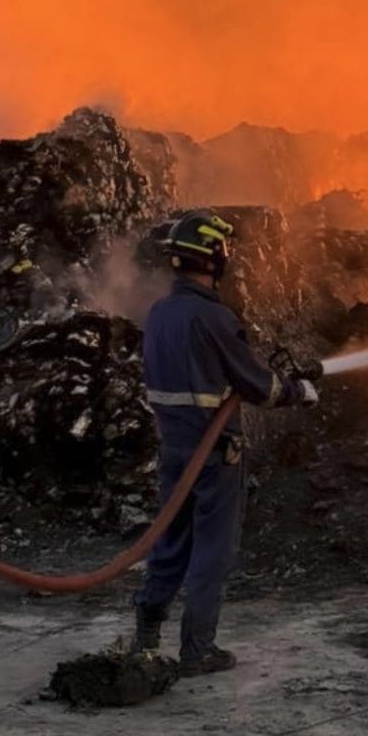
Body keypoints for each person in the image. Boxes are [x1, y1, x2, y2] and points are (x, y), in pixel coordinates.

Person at [134, 210, 319, 675]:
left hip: (173, 448)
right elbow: (259, 386)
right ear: (215, 258)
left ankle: (144, 637)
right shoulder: (214, 317)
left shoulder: (159, 314)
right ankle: (198, 650)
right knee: (211, 550)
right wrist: (300, 392)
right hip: (214, 452)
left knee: (170, 542)